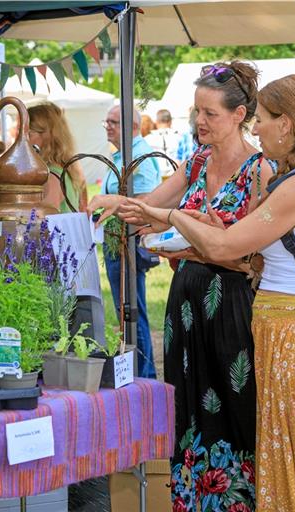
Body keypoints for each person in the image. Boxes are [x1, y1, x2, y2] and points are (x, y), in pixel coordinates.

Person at [120, 74, 295, 512]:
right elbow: (250, 255)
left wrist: (169, 216)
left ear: (287, 124)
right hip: (282, 335)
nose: (256, 129)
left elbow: (226, 249)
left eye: (261, 119)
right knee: (289, 453)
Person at [89, 61, 274, 511]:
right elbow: (150, 209)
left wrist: (198, 244)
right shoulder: (195, 162)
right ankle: (193, 501)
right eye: (196, 112)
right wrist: (117, 204)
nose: (200, 122)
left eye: (210, 113)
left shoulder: (260, 171)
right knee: (189, 407)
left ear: (239, 113)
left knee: (234, 407)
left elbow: (259, 257)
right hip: (186, 303)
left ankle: (239, 501)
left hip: (231, 305)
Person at [94, 104, 162, 380]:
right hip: (117, 242)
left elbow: (147, 202)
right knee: (126, 311)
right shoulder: (124, 155)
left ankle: (143, 374)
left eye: (114, 122)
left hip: (129, 242)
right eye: (106, 121)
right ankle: (136, 371)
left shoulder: (141, 156)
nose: (108, 126)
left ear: (132, 127)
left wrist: (116, 207)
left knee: (133, 311)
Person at [28, 103, 88, 213]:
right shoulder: (67, 169)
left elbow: (45, 225)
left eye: (29, 134)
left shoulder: (50, 177)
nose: (23, 139)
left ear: (45, 136)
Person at [144, 109, 182, 179]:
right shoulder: (180, 137)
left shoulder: (147, 140)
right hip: (176, 177)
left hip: (156, 178)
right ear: (170, 122)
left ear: (156, 122)